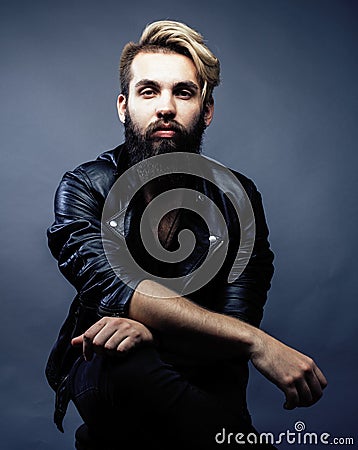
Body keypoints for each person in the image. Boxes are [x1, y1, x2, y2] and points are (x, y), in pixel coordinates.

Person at [45, 20, 327, 449]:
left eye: (183, 92)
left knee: (167, 382)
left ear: (206, 110)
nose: (166, 107)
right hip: (105, 369)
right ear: (124, 106)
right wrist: (258, 343)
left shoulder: (237, 197)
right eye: (148, 91)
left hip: (201, 378)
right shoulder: (87, 187)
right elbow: (118, 289)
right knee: (120, 360)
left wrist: (152, 331)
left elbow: (235, 322)